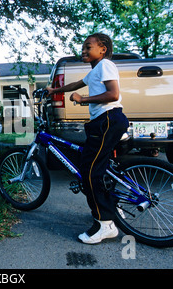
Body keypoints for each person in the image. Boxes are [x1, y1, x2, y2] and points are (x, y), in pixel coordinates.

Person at [47, 33, 129, 244]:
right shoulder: (95, 70)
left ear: (103, 49)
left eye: (88, 46)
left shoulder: (106, 65)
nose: (83, 50)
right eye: (82, 47)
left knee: (90, 171)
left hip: (107, 119)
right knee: (96, 166)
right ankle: (109, 206)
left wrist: (84, 99)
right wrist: (55, 90)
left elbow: (113, 94)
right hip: (103, 121)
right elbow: (75, 84)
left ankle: (105, 224)